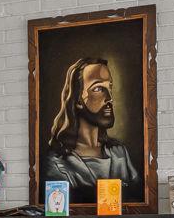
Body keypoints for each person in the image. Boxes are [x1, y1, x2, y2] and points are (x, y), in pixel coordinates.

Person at [42, 56, 142, 202]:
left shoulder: (119, 153)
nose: (110, 98)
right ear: (77, 100)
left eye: (110, 87)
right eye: (98, 88)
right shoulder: (58, 162)